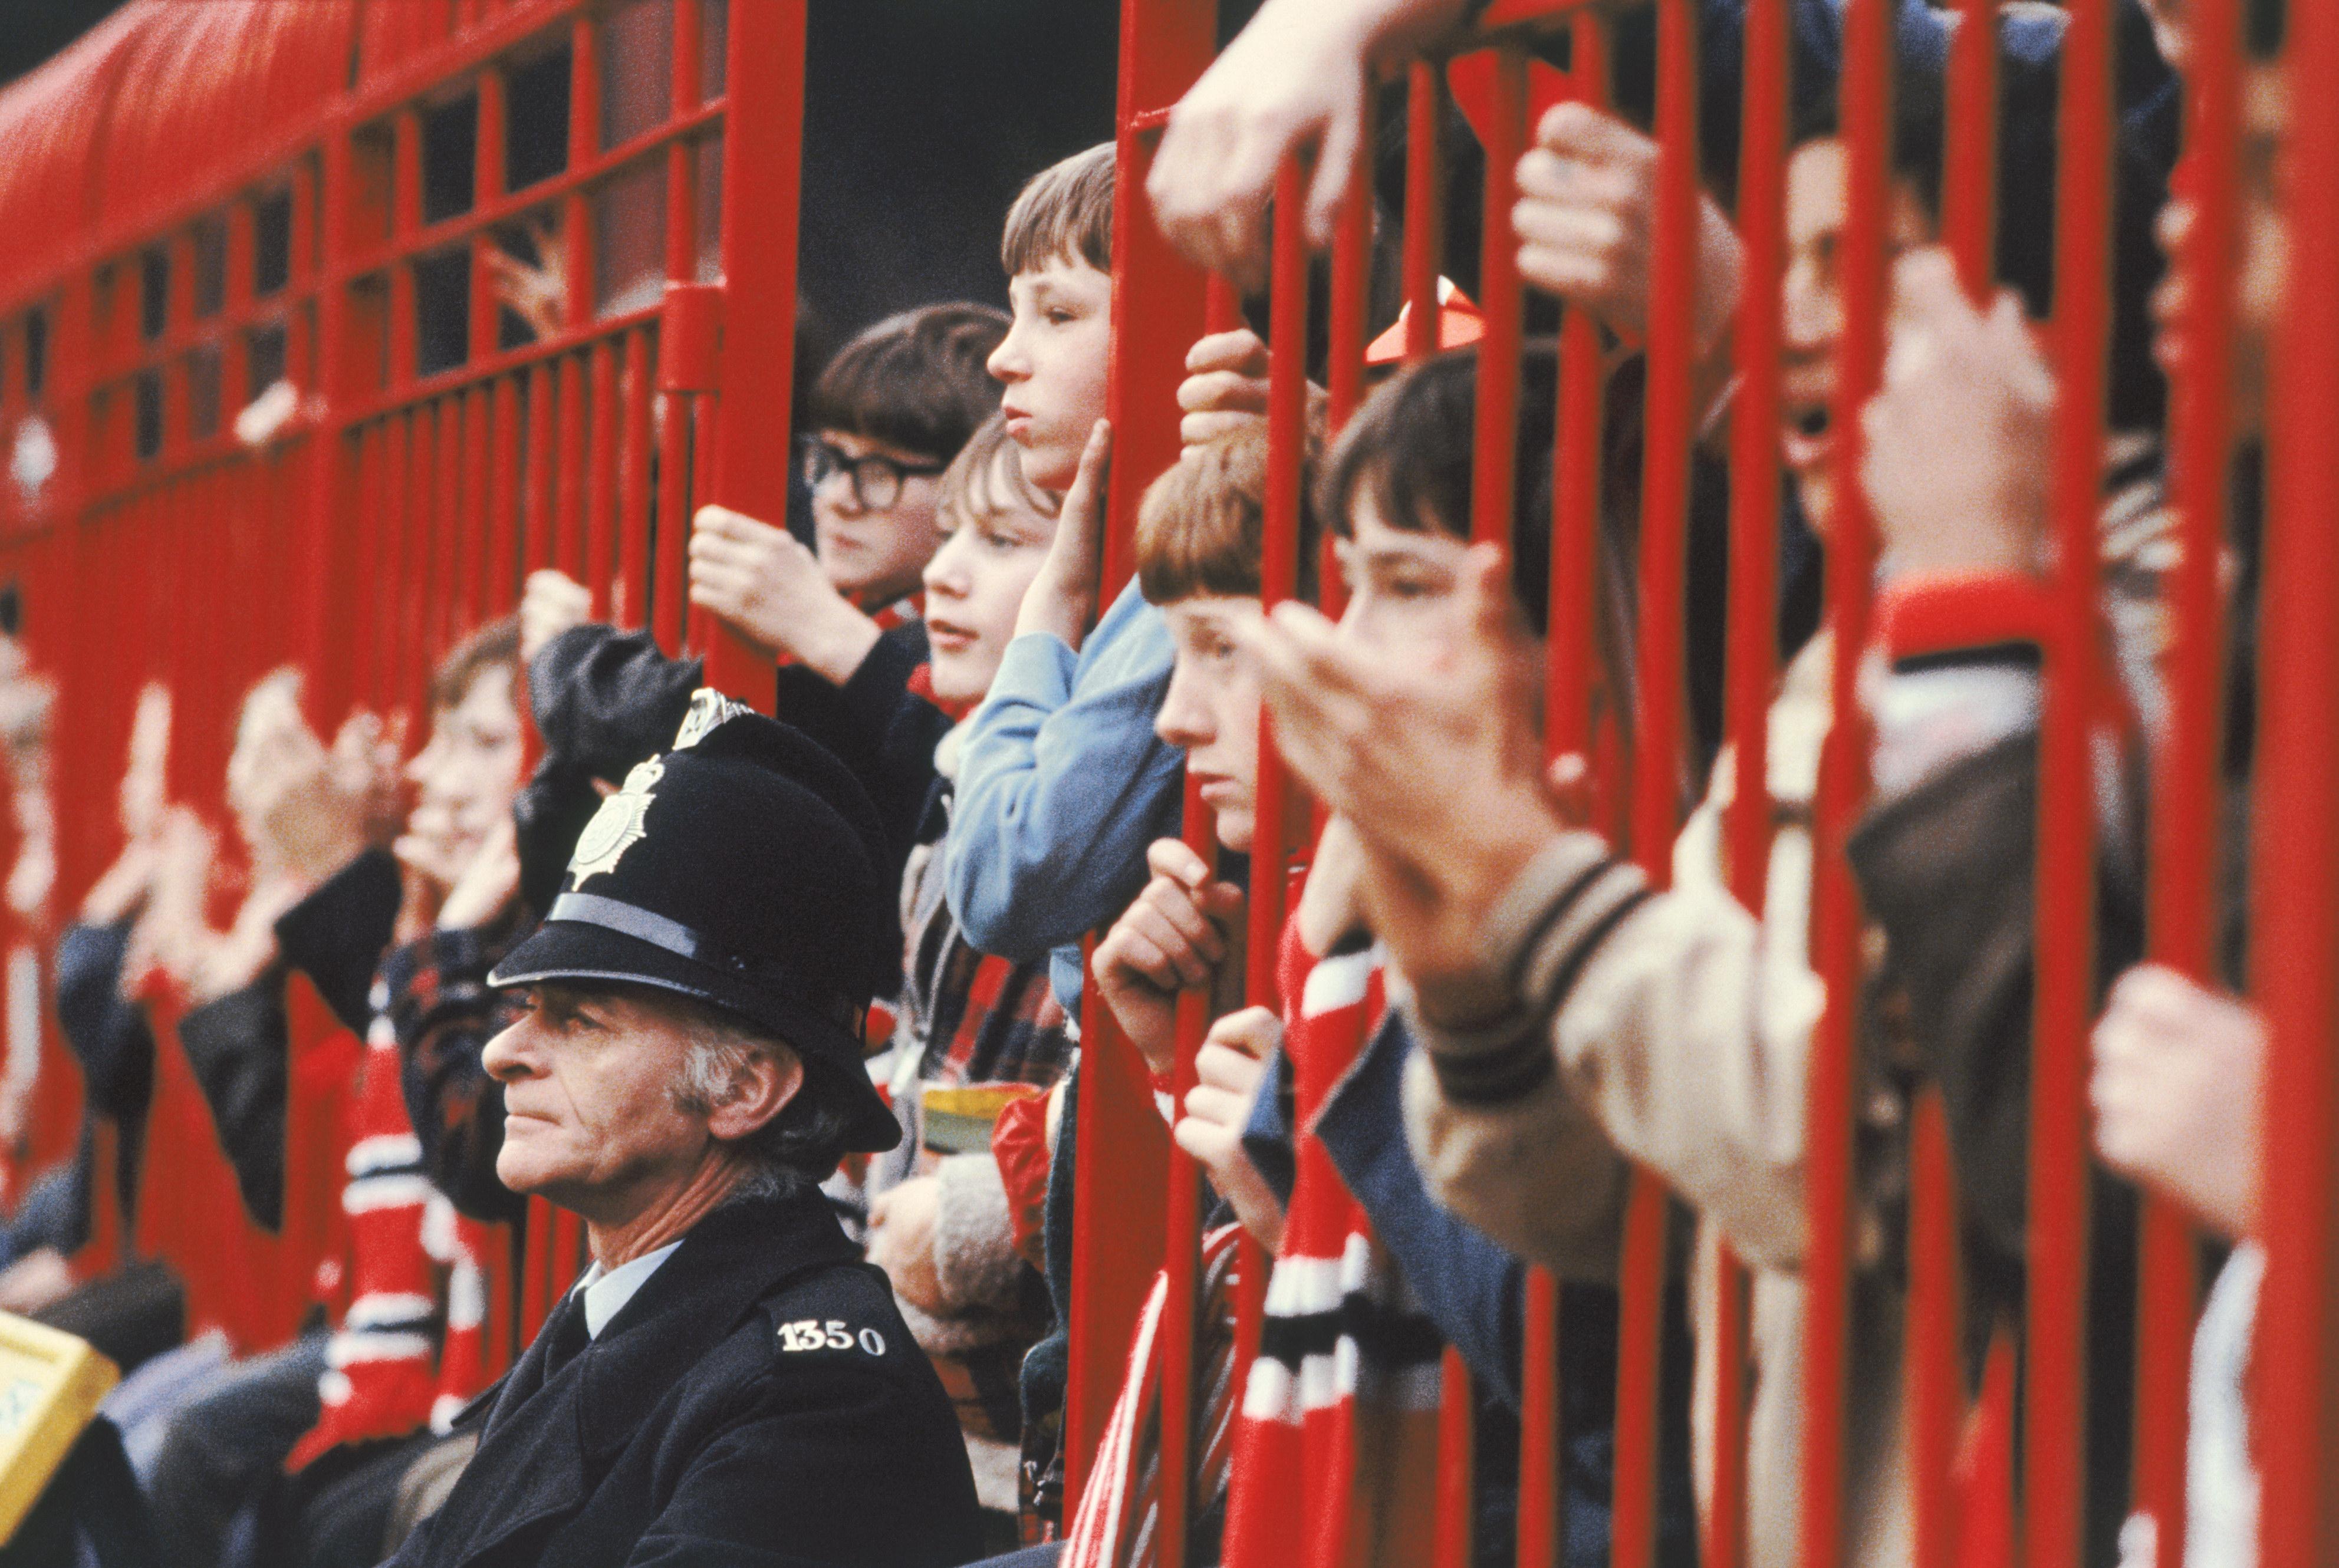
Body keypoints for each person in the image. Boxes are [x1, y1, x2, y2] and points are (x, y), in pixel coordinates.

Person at [384, 691, 979, 1568]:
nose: (503, 1052)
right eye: (524, 1008)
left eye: (578, 1019)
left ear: (745, 1086)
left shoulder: (812, 1399)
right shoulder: (630, 1324)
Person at [853, 411, 1075, 1549]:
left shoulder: (1067, 840)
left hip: (1012, 1436)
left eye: (997, 541)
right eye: (946, 536)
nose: (940, 574)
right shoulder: (953, 810)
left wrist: (961, 1226)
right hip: (923, 1383)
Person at [947, 143, 1186, 1028]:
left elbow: (1004, 879)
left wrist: (1043, 623)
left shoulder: (1182, 578)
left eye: (1057, 312)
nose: (1004, 358)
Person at [687, 302, 1009, 872]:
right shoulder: (848, 604)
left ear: (978, 478)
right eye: (830, 458)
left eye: (882, 470)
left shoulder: (992, 632)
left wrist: (831, 636)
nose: (839, 496)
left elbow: (975, 794)